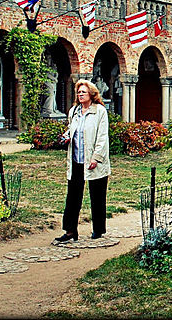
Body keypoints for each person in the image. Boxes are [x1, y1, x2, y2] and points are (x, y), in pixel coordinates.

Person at [54, 80, 111, 243]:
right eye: (78, 92)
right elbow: (72, 129)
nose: (80, 95)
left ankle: (98, 230)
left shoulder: (99, 111)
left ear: (92, 94)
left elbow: (102, 137)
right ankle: (71, 231)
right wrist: (66, 137)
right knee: (72, 196)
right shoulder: (74, 111)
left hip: (94, 161)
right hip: (76, 160)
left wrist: (96, 158)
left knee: (97, 195)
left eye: (83, 92)